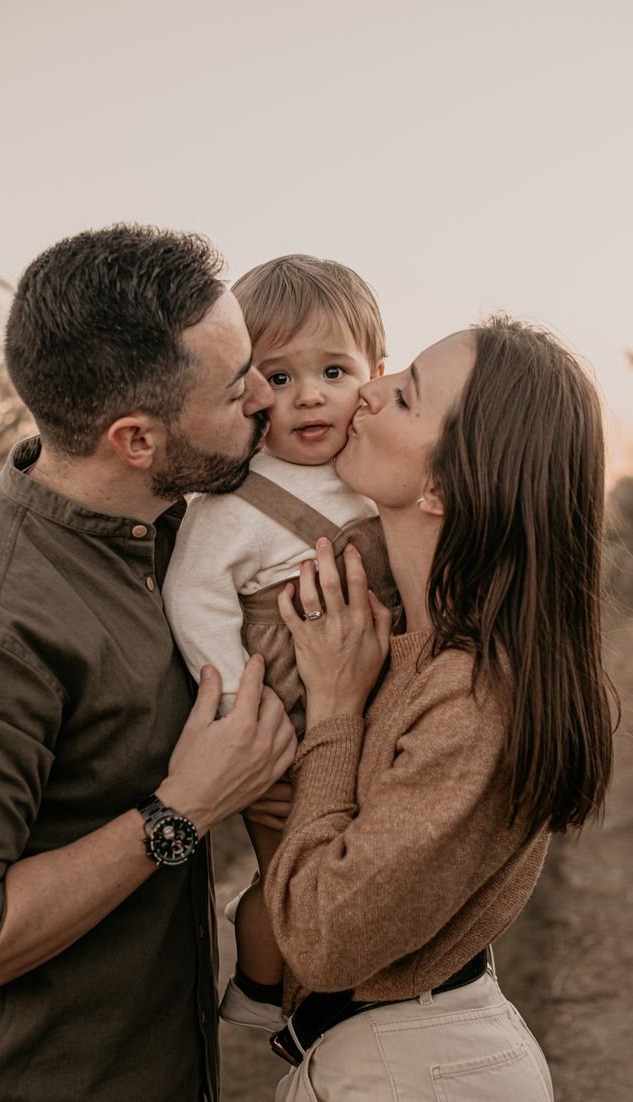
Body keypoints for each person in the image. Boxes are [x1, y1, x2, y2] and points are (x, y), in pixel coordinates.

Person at [0, 224, 297, 1102]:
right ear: (137, 441)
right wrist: (182, 810)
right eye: (238, 389)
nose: (268, 395)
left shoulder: (166, 537)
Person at [261, 318, 616, 1100]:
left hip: (412, 1073)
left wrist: (331, 712)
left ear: (443, 486)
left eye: (406, 395)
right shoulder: (406, 645)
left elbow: (323, 938)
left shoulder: (476, 698)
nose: (371, 389)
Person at [162, 254, 394, 1033]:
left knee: (359, 856)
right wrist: (238, 702)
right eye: (282, 377)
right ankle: (265, 993)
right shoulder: (237, 499)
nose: (311, 396)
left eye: (333, 370)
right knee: (289, 867)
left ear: (376, 372)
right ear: (252, 389)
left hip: (368, 694)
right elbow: (193, 595)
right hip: (285, 709)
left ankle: (348, 980)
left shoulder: (374, 470)